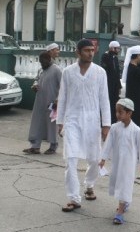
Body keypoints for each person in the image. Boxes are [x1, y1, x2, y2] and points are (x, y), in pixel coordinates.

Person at [57, 39, 111, 212]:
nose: (90, 53)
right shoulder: (68, 72)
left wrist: (106, 124)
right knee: (70, 160)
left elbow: (104, 99)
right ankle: (73, 198)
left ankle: (89, 184)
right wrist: (60, 121)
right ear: (78, 52)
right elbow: (63, 97)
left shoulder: (100, 72)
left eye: (92, 50)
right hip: (72, 120)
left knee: (94, 158)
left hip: (92, 121)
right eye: (86, 50)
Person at [99, 98, 140, 225]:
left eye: (120, 112)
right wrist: (102, 158)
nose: (117, 114)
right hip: (117, 162)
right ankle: (124, 203)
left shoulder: (136, 130)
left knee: (125, 184)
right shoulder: (114, 128)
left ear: (129, 113)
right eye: (116, 112)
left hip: (129, 164)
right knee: (117, 183)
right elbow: (108, 144)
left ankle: (120, 212)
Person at [23, 52, 62, 155]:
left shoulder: (56, 70)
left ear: (49, 59)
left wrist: (58, 99)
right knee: (37, 123)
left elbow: (63, 86)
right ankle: (35, 147)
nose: (42, 64)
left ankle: (53, 146)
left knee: (52, 124)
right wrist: (34, 85)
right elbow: (36, 80)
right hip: (39, 102)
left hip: (52, 103)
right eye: (40, 62)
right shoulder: (41, 70)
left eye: (44, 62)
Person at [101, 40, 122, 124]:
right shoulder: (105, 56)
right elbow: (106, 70)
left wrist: (119, 86)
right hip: (108, 85)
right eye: (117, 49)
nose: (118, 51)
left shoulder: (115, 58)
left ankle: (114, 120)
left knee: (114, 103)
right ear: (113, 48)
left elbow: (116, 73)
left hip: (115, 86)